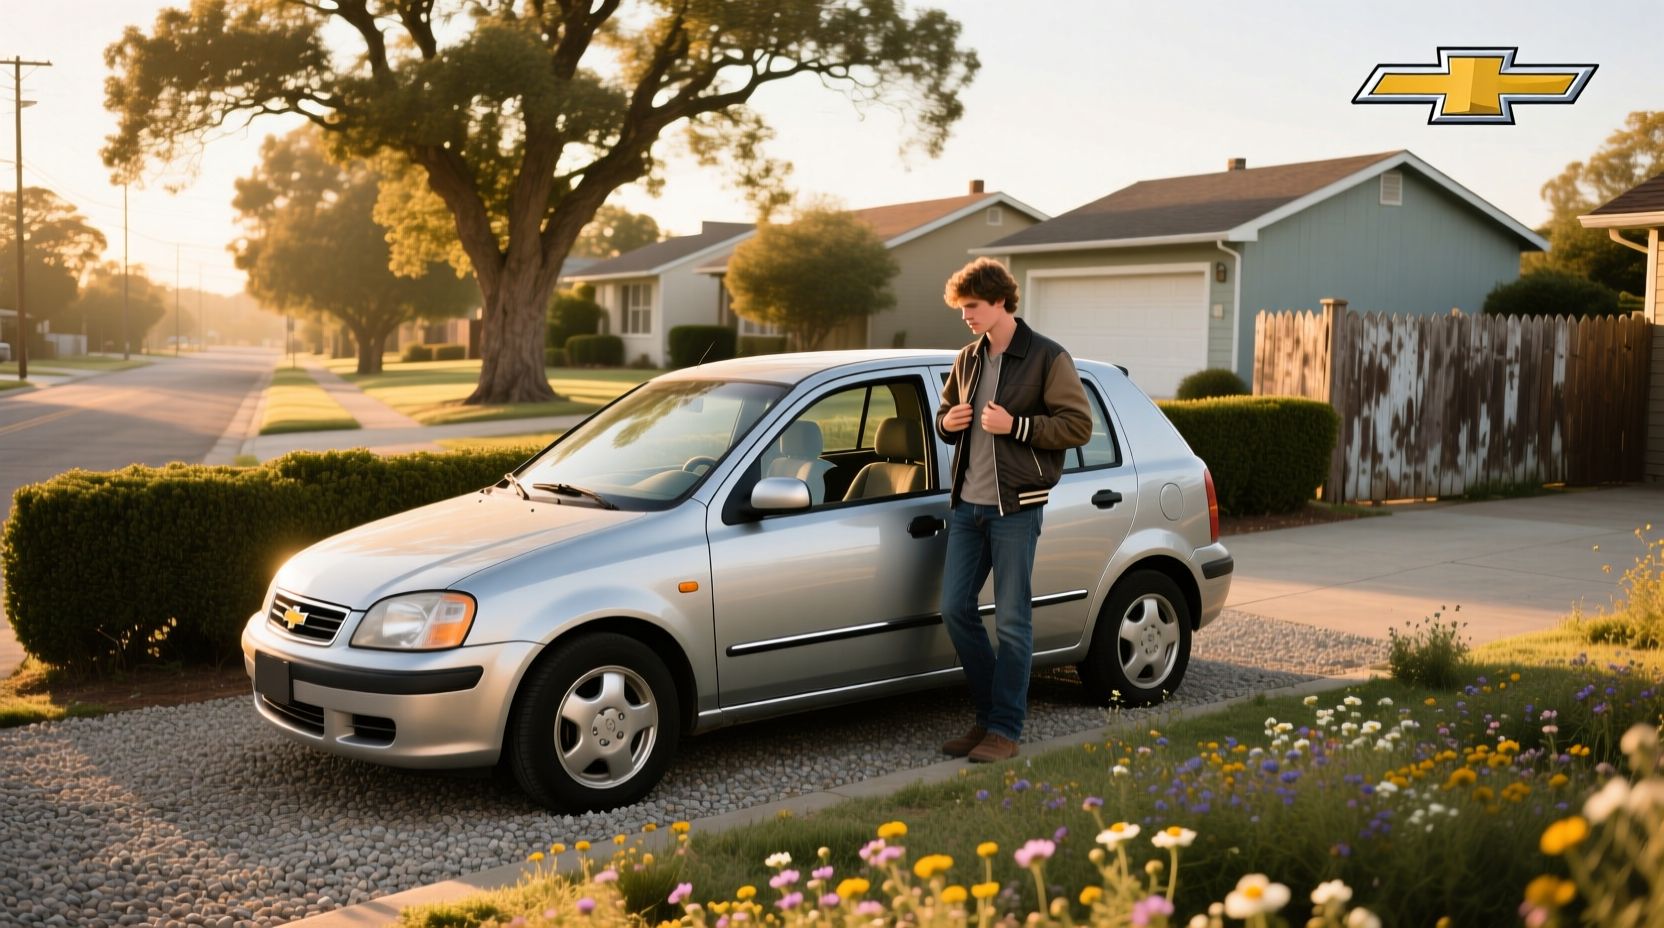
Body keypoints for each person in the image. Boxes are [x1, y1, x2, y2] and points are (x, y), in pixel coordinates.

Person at [934, 258, 1092, 763]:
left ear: (1000, 301)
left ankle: (1005, 728)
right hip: (967, 507)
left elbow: (1077, 426)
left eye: (972, 307)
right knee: (955, 610)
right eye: (961, 309)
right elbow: (943, 416)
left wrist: (1017, 426)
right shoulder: (967, 358)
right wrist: (949, 422)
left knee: (1013, 621)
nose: (966, 316)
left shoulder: (1047, 357)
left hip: (1015, 509)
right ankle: (987, 719)